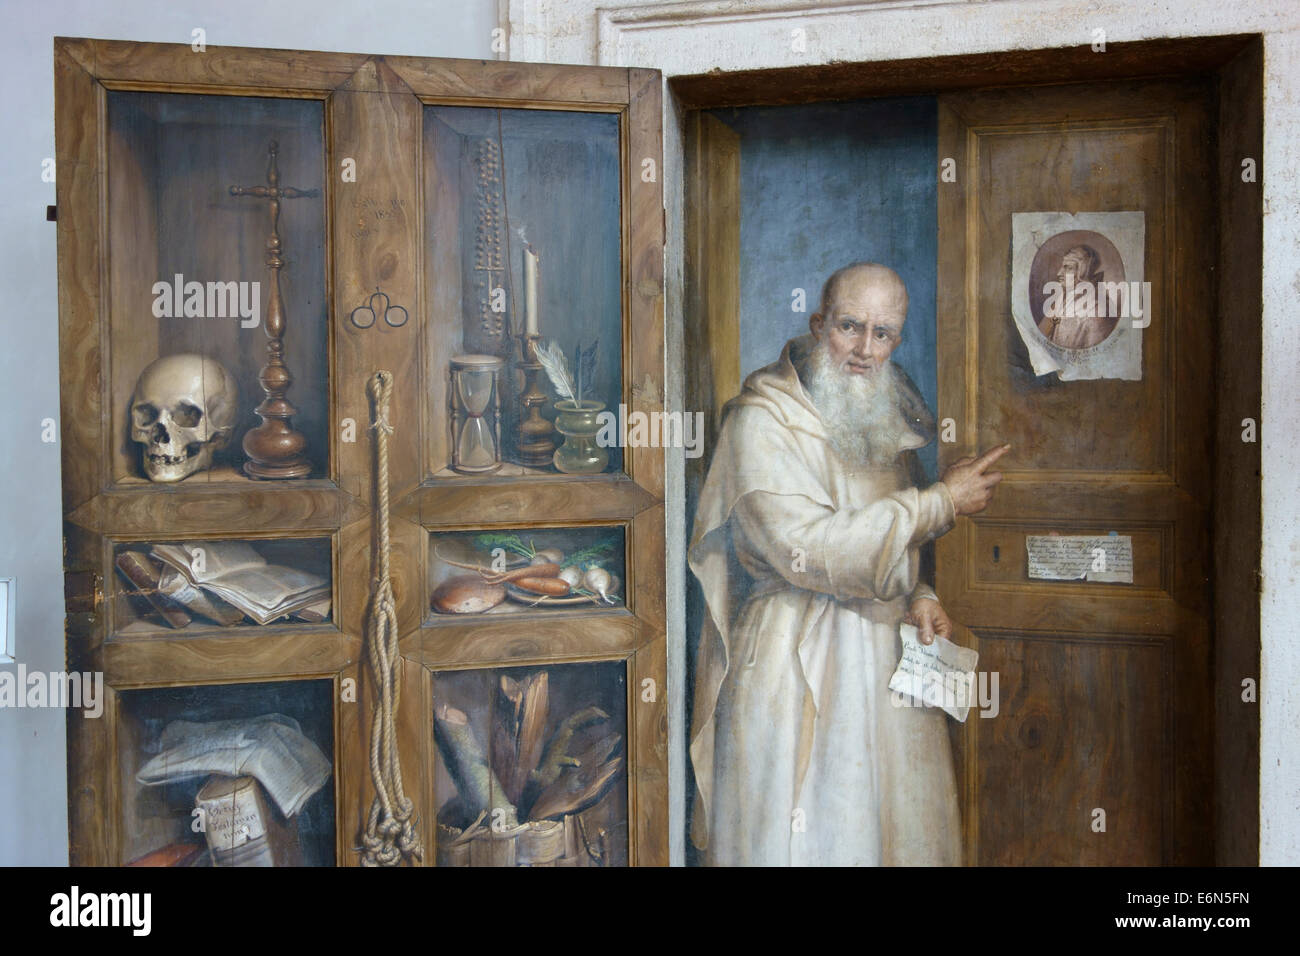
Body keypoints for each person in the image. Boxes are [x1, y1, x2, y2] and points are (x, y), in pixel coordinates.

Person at [688, 262, 1008, 866]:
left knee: (897, 835)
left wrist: (923, 595)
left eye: (883, 334)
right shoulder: (759, 420)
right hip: (790, 662)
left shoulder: (889, 410)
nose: (865, 351)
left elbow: (904, 547)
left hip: (887, 658)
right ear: (818, 324)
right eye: (850, 327)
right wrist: (942, 501)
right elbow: (810, 548)